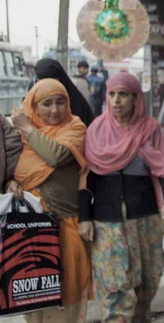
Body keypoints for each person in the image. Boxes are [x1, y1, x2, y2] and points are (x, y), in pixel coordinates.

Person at [80, 72, 164, 323]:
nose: (116, 100)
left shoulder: (150, 129)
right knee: (114, 284)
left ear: (136, 98)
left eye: (123, 94)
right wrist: (84, 217)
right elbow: (88, 178)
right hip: (106, 221)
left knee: (146, 281)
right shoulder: (96, 130)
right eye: (112, 94)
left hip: (144, 219)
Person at [7, 79, 92, 322]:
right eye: (46, 104)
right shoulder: (21, 139)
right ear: (34, 106)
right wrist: (11, 184)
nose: (55, 110)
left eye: (60, 102)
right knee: (35, 302)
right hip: (32, 234)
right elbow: (14, 172)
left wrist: (29, 129)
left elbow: (55, 155)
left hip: (66, 228)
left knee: (67, 301)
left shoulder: (75, 128)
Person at [33, 59, 95, 126]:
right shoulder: (31, 101)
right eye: (47, 104)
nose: (54, 110)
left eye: (59, 103)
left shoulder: (77, 105)